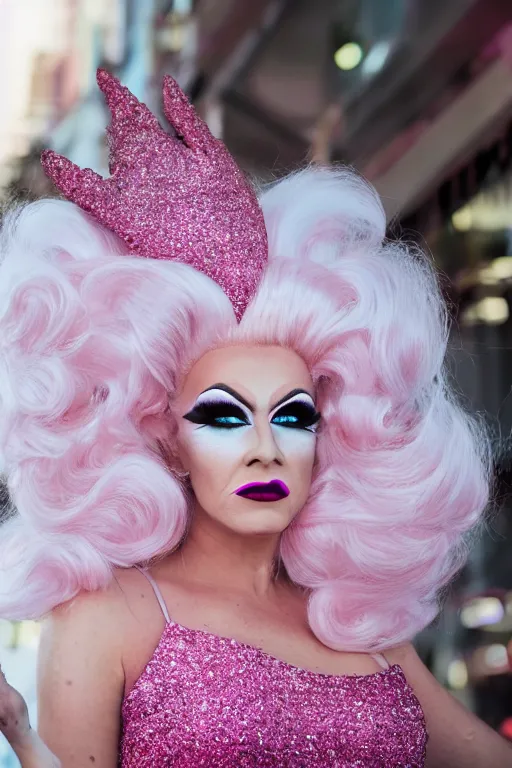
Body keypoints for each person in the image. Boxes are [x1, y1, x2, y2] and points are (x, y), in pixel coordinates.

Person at [0, 69, 510, 767]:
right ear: (168, 442)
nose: (267, 449)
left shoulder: (354, 621)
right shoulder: (108, 613)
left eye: (294, 417)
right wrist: (24, 739)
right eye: (223, 417)